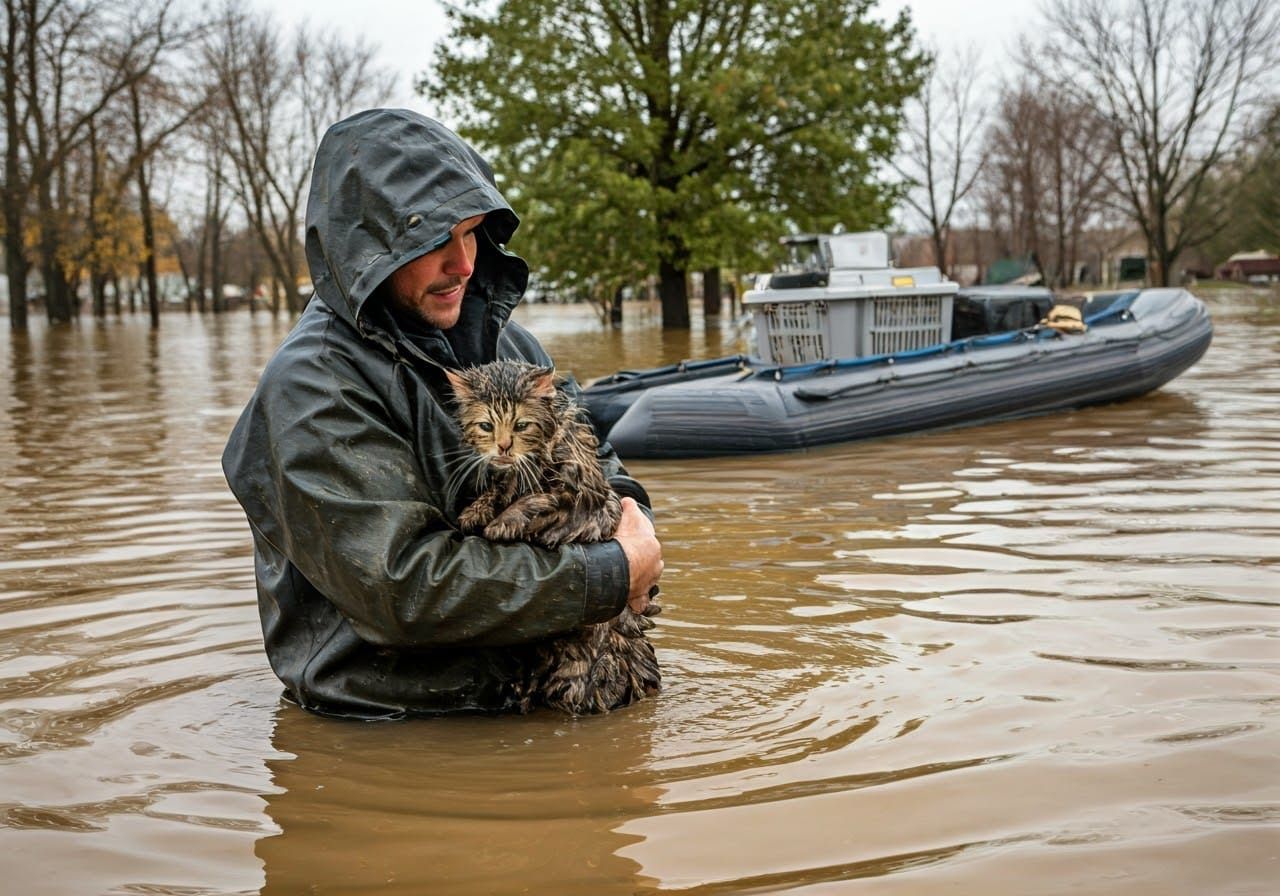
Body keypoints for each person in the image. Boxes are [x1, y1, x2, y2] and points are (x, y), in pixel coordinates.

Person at [221, 108, 663, 719]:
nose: (464, 264)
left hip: (542, 692)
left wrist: (635, 523)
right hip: (394, 725)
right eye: (435, 241)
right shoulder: (313, 388)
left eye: (472, 232)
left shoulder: (512, 346)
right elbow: (402, 587)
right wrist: (610, 574)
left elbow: (600, 466)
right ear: (369, 249)